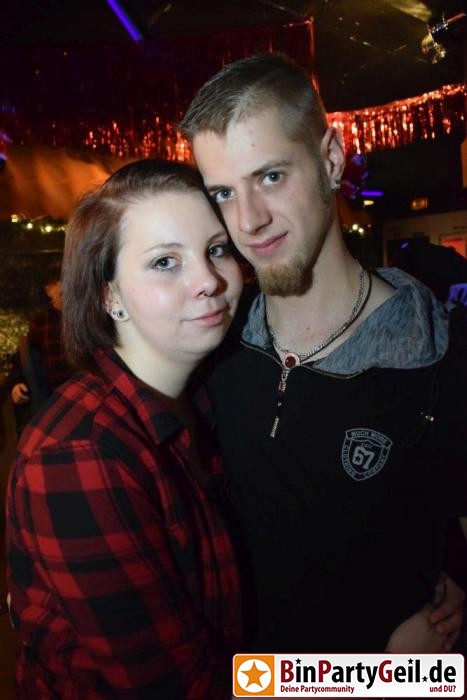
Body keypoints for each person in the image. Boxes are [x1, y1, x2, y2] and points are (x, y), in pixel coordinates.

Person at [180, 53, 467, 653]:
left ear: (331, 159)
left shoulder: (441, 359)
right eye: (224, 193)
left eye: (270, 177)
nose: (249, 220)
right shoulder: (210, 349)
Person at [6, 160, 244, 698]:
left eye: (216, 249)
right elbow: (186, 687)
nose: (209, 280)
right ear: (109, 296)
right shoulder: (79, 455)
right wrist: (379, 675)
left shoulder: (207, 398)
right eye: (165, 261)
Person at [8, 261, 72, 436]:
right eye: (59, 286)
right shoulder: (41, 322)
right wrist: (16, 383)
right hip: (52, 404)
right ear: (49, 290)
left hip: (85, 398)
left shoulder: (82, 316)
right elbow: (24, 356)